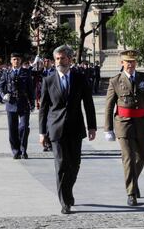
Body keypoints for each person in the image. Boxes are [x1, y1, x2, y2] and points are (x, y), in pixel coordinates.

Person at [39, 45, 96, 214]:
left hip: (76, 127)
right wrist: (42, 132)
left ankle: (68, 192)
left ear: (70, 60)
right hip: (56, 129)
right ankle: (65, 201)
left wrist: (92, 126)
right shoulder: (48, 81)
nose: (59, 62)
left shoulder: (80, 78)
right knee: (62, 164)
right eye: (57, 58)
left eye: (62, 58)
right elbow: (43, 108)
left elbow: (88, 103)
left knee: (75, 164)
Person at [104, 50, 144, 206]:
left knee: (142, 157)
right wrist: (108, 128)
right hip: (124, 124)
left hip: (142, 123)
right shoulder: (115, 81)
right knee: (128, 158)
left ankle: (133, 183)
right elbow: (109, 106)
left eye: (133, 61)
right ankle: (131, 193)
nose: (130, 64)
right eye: (127, 62)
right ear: (121, 63)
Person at [0, 52, 35, 159]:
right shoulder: (7, 73)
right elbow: (0, 86)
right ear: (11, 61)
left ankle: (23, 150)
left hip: (23, 103)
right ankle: (15, 151)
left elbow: (30, 88)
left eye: (18, 59)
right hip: (11, 103)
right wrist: (3, 95)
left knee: (23, 127)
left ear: (21, 61)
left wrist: (32, 103)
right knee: (12, 129)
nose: (16, 61)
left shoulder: (26, 72)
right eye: (14, 59)